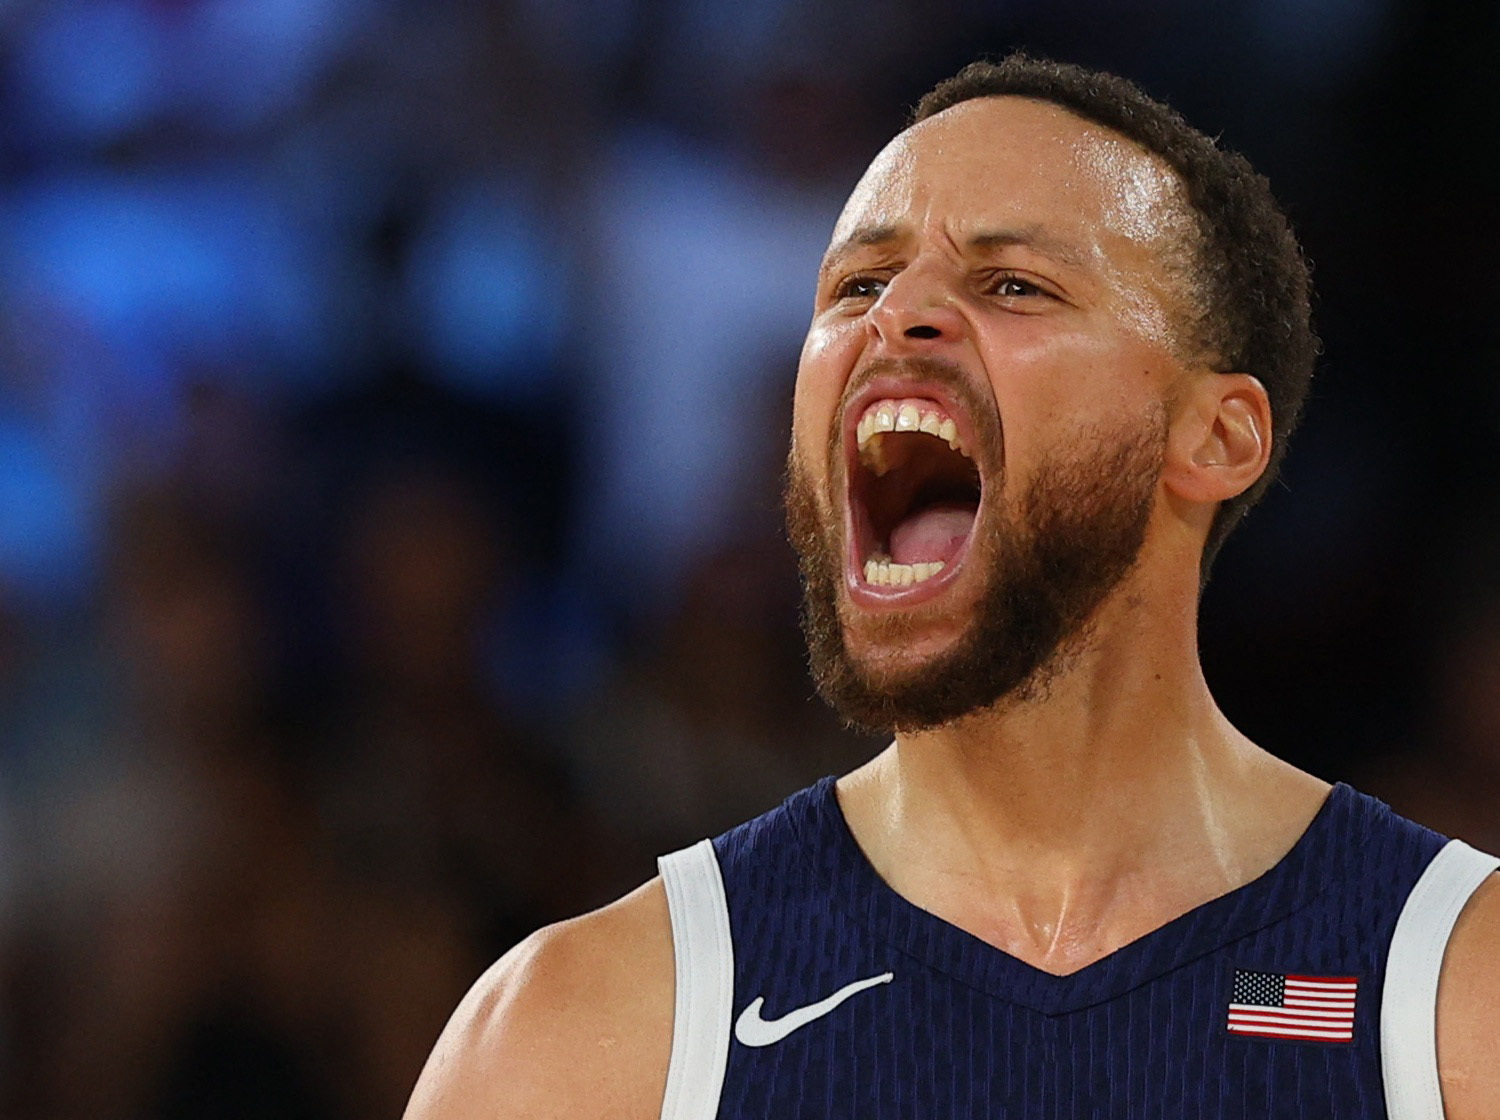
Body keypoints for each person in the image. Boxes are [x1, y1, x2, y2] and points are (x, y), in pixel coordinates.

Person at [403, 54, 1500, 1119]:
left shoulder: (1459, 998)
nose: (895, 317)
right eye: (860, 284)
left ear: (1215, 436)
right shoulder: (583, 1035)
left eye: (1012, 283)